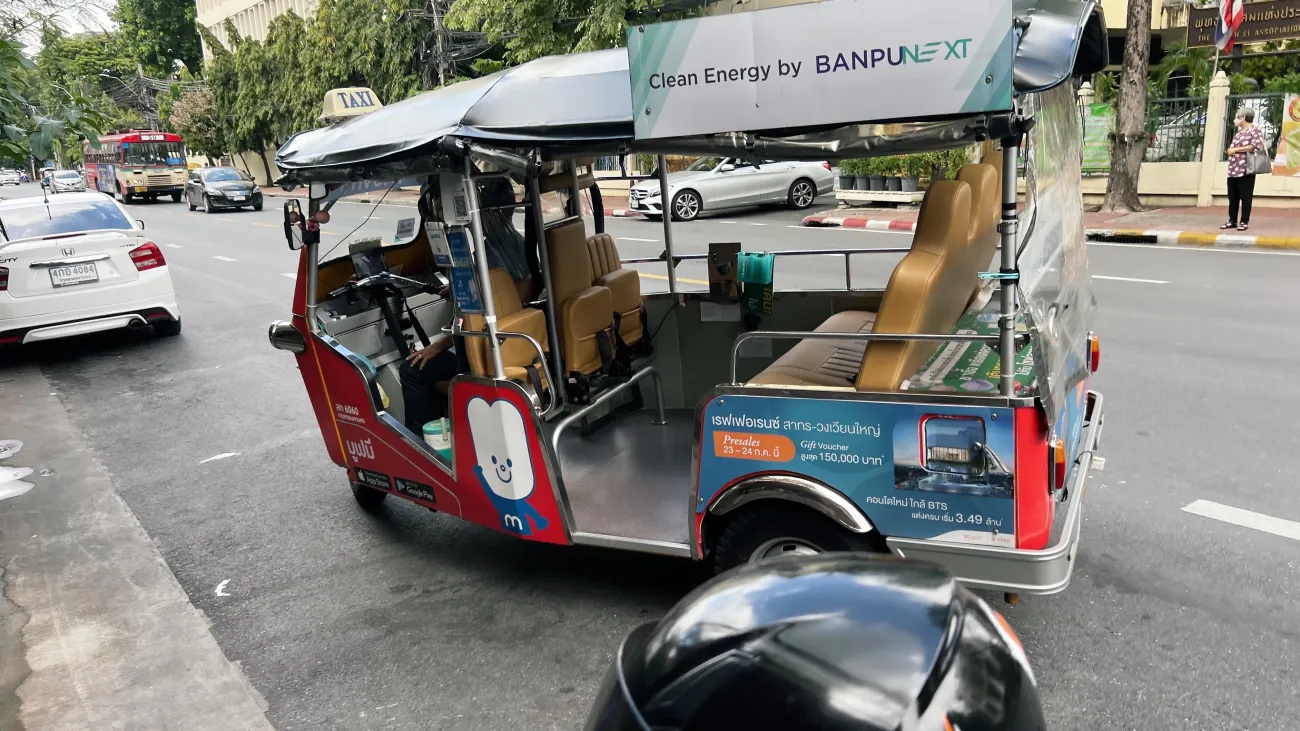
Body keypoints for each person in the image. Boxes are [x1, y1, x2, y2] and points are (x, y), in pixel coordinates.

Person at [399, 174, 532, 434]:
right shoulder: (513, 242)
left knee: (412, 367)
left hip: (485, 347)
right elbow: (502, 289)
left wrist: (436, 347)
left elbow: (473, 317)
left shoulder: (490, 254)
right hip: (506, 341)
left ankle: (421, 437)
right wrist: (459, 286)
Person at [1224, 106, 1267, 232]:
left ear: (1243, 117)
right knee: (1232, 197)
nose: (1236, 119)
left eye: (1238, 117)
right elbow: (1231, 148)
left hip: (1246, 169)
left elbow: (1254, 146)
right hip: (1233, 169)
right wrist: (1230, 150)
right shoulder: (1238, 133)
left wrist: (1236, 150)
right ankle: (1232, 220)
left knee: (1245, 197)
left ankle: (1244, 221)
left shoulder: (1255, 131)